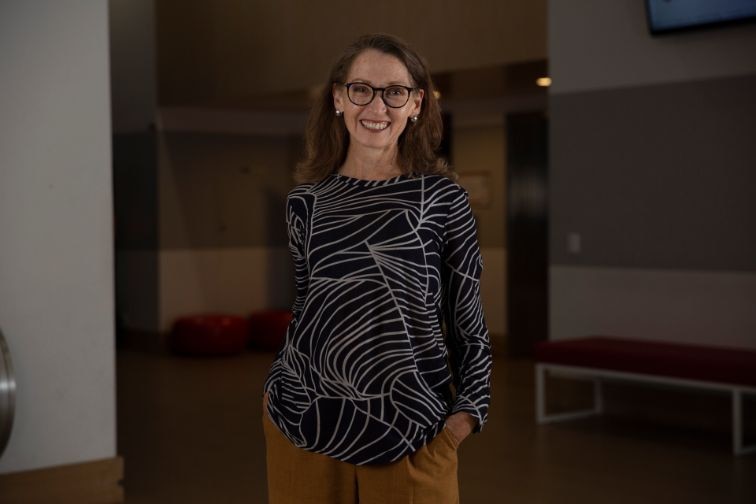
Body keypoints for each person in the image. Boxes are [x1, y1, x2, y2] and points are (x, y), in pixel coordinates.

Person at [262, 33, 492, 504]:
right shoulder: (306, 202)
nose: (377, 106)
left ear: (416, 104)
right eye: (361, 88)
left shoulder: (442, 200)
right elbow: (307, 306)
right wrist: (274, 393)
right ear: (339, 98)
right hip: (302, 421)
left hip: (411, 430)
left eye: (395, 92)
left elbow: (468, 320)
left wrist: (466, 415)